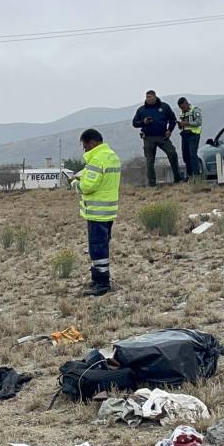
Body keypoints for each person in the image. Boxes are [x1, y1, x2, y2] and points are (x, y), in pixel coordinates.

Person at [72, 128, 121, 296]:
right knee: (102, 245)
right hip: (108, 210)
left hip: (96, 211)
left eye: (85, 146)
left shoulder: (96, 159)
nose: (85, 150)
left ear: (91, 143)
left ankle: (101, 283)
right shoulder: (112, 156)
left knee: (97, 248)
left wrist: (76, 185)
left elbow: (88, 186)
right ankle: (98, 278)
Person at [131, 90, 183, 186]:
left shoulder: (164, 107)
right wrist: (144, 122)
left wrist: (170, 130)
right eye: (147, 97)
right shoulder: (141, 110)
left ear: (155, 97)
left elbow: (173, 120)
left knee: (172, 153)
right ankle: (152, 183)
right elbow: (135, 123)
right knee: (150, 161)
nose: (148, 99)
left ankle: (178, 178)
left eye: (150, 97)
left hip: (162, 136)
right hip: (148, 138)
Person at [176, 97, 203, 179]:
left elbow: (199, 122)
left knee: (192, 155)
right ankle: (190, 175)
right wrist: (180, 125)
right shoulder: (182, 113)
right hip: (184, 135)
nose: (182, 109)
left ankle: (196, 175)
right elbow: (182, 126)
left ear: (186, 103)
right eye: (180, 108)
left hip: (193, 135)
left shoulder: (195, 110)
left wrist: (186, 123)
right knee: (186, 156)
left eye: (183, 107)